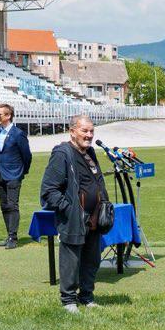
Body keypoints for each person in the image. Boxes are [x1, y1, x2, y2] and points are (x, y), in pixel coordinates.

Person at [40, 115, 110, 312]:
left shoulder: (90, 153)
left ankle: (86, 297)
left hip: (94, 219)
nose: (89, 135)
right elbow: (49, 190)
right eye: (84, 131)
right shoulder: (62, 153)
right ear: (72, 131)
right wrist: (69, 209)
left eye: (91, 131)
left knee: (92, 260)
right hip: (74, 219)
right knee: (71, 261)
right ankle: (68, 301)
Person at [0, 103, 32, 250]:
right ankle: (9, 235)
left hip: (14, 174)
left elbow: (27, 156)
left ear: (8, 116)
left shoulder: (18, 134)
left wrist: (22, 172)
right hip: (0, 173)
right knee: (4, 205)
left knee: (13, 205)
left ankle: (13, 237)